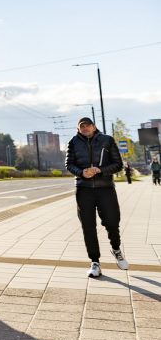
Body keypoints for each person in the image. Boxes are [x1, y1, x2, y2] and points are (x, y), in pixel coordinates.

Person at [65, 117, 127, 278]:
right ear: (78, 129)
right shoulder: (73, 142)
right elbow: (69, 164)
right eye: (81, 126)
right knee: (88, 226)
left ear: (94, 126)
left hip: (105, 188)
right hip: (83, 189)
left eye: (88, 125)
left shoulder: (107, 140)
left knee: (112, 222)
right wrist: (81, 172)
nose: (85, 128)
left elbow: (118, 164)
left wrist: (100, 170)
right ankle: (95, 262)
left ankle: (116, 249)